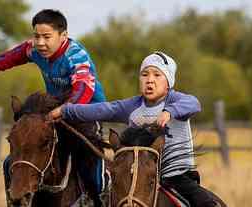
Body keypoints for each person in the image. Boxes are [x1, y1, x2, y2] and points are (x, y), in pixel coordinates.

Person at [48, 51, 221, 207]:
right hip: (136, 177)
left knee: (205, 203)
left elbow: (194, 103)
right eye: (144, 75)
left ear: (168, 83)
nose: (149, 80)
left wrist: (170, 112)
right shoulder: (132, 106)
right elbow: (102, 109)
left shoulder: (175, 100)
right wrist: (66, 110)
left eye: (157, 75)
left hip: (176, 176)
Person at [0, 9, 107, 206]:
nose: (40, 42)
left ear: (63, 36)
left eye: (47, 37)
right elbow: (19, 53)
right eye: (36, 36)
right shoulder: (36, 50)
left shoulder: (77, 56)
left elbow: (84, 88)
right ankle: (16, 199)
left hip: (85, 110)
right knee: (12, 159)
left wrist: (66, 109)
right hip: (54, 110)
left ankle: (98, 195)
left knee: (89, 154)